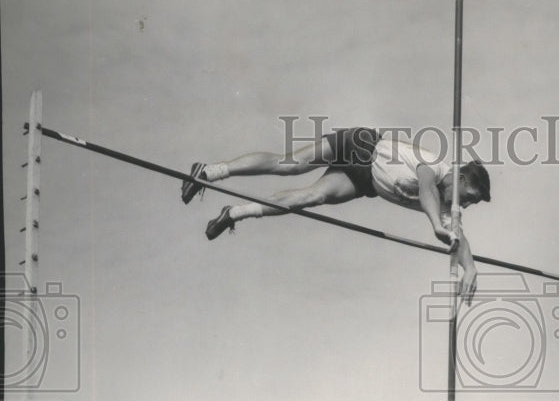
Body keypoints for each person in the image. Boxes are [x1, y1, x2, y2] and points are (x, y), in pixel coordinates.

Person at [181, 126, 490, 301]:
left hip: (365, 181)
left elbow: (459, 239)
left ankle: (234, 213)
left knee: (310, 197)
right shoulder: (435, 167)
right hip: (362, 145)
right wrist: (436, 224)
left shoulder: (450, 208)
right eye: (470, 199)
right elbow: (426, 190)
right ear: (461, 179)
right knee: (290, 166)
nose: (466, 206)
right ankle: (210, 171)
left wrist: (471, 268)